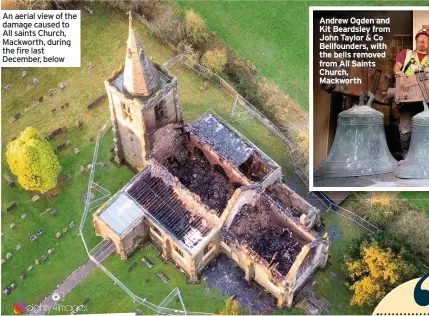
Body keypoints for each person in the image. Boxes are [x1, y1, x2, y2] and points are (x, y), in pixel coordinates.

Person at [393, 29, 429, 157]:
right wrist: (398, 72)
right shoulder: (406, 53)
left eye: (425, 39)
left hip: (427, 100)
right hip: (408, 97)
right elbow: (397, 66)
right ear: (416, 41)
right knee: (405, 128)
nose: (422, 41)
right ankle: (406, 155)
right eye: (420, 39)